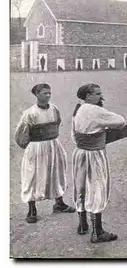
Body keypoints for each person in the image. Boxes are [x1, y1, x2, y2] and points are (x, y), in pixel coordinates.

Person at [71, 84, 126, 243]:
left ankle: (82, 224)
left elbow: (74, 135)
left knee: (80, 187)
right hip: (94, 154)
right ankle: (98, 232)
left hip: (80, 152)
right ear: (88, 96)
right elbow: (121, 121)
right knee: (97, 188)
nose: (100, 97)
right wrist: (104, 124)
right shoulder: (96, 110)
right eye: (97, 94)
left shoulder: (78, 109)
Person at [14, 83, 75, 223]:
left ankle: (59, 203)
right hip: (36, 148)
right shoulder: (30, 113)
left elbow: (57, 123)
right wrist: (31, 145)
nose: (47, 96)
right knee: (33, 176)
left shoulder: (54, 109)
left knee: (56, 173)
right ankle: (32, 209)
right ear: (37, 95)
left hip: (53, 145)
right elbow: (21, 133)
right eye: (44, 93)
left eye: (49, 93)